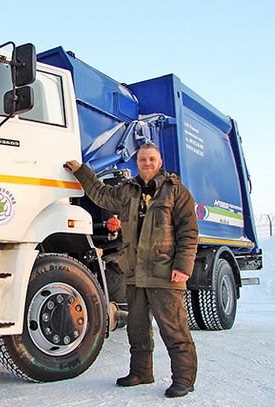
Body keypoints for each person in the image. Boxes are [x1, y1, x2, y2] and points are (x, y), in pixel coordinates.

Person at [65, 143, 198, 398]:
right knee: (137, 329)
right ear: (137, 163)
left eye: (152, 159)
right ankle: (141, 372)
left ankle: (184, 379)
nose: (147, 163)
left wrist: (183, 266)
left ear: (160, 162)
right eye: (142, 159)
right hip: (135, 273)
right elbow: (101, 194)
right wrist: (82, 171)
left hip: (164, 273)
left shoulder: (176, 192)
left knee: (174, 330)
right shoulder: (128, 190)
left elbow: (188, 232)